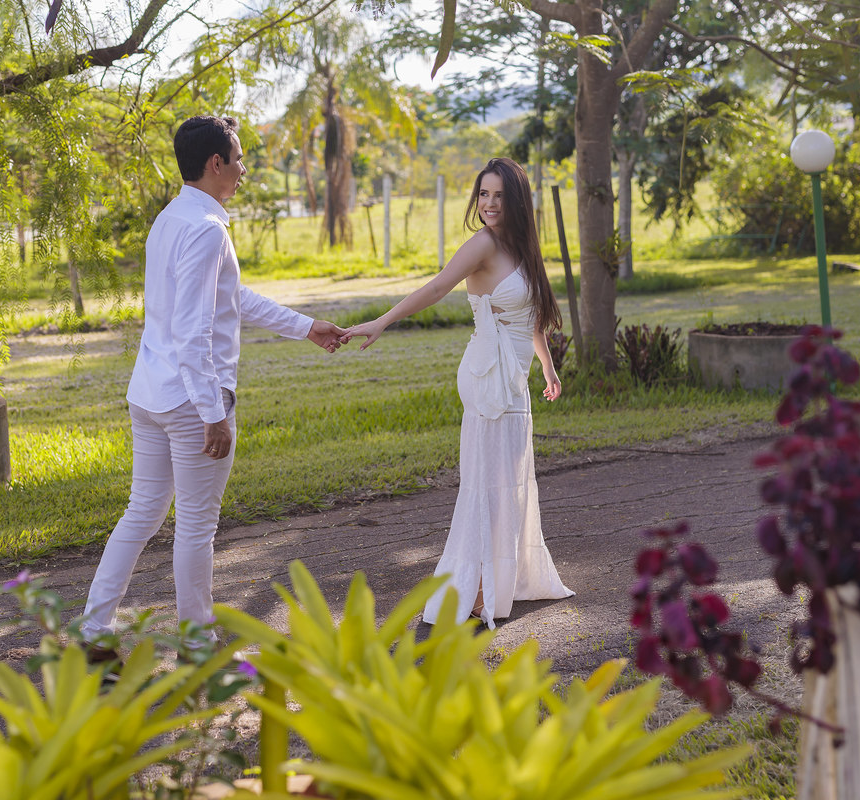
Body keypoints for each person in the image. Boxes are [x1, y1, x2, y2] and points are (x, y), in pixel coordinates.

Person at [83, 115, 345, 661]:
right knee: (196, 526)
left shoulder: (172, 219)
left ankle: (92, 633)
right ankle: (198, 646)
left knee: (142, 512)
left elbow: (232, 300)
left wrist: (305, 327)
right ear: (215, 164)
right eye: (240, 158)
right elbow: (193, 329)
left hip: (150, 393)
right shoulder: (206, 228)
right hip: (188, 400)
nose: (245, 169)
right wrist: (211, 412)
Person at [342, 157, 574, 628]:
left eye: (498, 195)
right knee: (488, 483)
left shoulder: (522, 248)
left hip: (515, 379)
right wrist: (382, 322)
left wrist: (548, 368)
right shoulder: (483, 245)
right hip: (487, 376)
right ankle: (474, 589)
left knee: (510, 479)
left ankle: (503, 579)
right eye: (483, 194)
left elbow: (529, 319)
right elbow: (436, 288)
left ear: (515, 200)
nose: (488, 204)